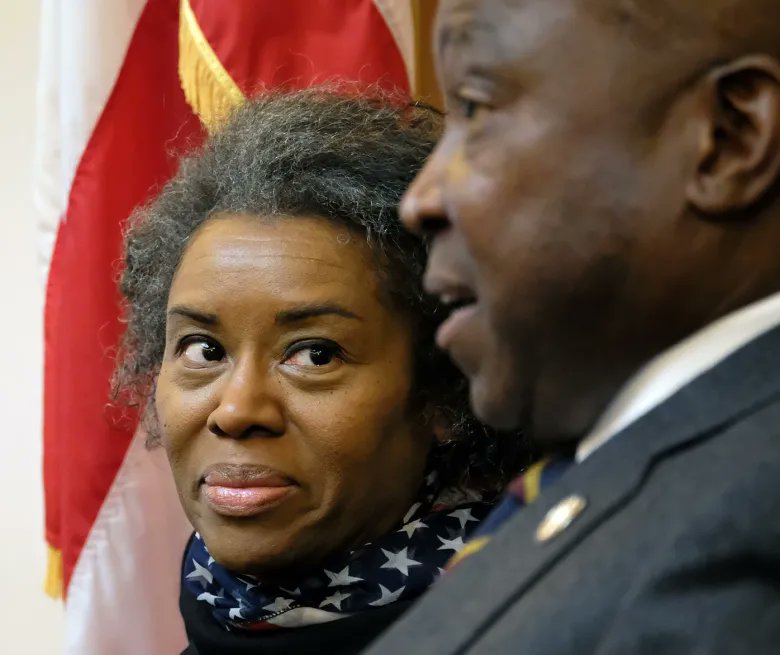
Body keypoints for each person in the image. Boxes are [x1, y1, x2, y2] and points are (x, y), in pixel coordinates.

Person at [366, 0, 780, 653]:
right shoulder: (644, 466)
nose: (418, 200)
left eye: (476, 108)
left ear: (727, 138)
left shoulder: (748, 539)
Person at [114, 89, 524, 655]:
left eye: (315, 355)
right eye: (204, 350)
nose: (236, 411)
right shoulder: (216, 621)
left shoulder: (542, 621)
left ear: (446, 392)